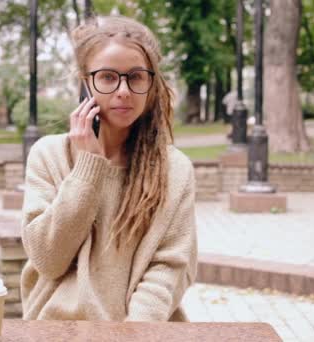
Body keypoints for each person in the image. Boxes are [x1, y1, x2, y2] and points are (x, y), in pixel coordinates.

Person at [19, 16, 198, 322]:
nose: (123, 90)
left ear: (152, 85)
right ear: (85, 82)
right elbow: (48, 259)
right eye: (107, 77)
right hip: (57, 330)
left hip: (143, 333)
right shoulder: (48, 155)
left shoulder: (175, 169)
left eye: (136, 77)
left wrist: (133, 334)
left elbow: (169, 268)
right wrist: (89, 166)